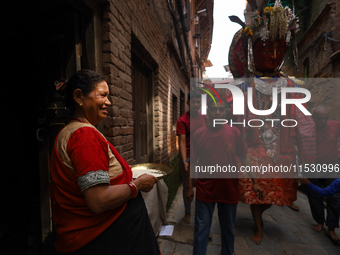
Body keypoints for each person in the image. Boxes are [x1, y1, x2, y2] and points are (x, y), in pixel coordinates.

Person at [228, 0, 316, 245]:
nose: (274, 57)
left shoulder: (291, 87)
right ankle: (258, 226)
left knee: (275, 194)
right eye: (266, 51)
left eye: (279, 52)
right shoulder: (245, 86)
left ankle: (260, 220)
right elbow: (233, 118)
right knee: (255, 192)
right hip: (252, 149)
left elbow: (304, 122)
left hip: (282, 151)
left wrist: (306, 156)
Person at [50, 69, 160, 254]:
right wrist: (137, 185)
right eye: (103, 95)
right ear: (79, 97)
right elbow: (98, 201)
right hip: (101, 235)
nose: (108, 102)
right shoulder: (84, 136)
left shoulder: (74, 131)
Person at [188, 97, 264, 255]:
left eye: (220, 109)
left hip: (229, 188)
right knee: (201, 229)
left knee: (228, 228)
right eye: (213, 109)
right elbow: (193, 162)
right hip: (205, 189)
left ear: (226, 112)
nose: (217, 112)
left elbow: (244, 158)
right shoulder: (198, 134)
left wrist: (255, 181)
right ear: (207, 112)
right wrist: (189, 187)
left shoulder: (234, 132)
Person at [303, 104, 340, 243]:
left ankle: (332, 228)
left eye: (326, 118)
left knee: (335, 198)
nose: (323, 122)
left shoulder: (336, 125)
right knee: (315, 196)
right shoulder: (307, 129)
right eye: (320, 118)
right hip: (312, 166)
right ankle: (319, 221)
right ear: (313, 117)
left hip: (332, 167)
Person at [176, 90, 207, 224]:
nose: (195, 104)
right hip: (188, 157)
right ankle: (188, 213)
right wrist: (184, 161)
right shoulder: (182, 120)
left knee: (202, 186)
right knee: (187, 186)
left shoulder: (205, 118)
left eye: (198, 101)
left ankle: (202, 215)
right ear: (188, 103)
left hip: (203, 157)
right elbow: (182, 142)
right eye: (193, 101)